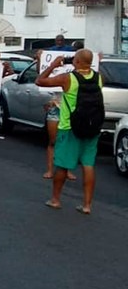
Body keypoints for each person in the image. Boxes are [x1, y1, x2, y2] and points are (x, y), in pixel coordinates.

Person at [38, 49, 101, 214]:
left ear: (78, 61)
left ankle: (56, 199)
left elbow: (40, 81)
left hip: (69, 127)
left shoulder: (69, 78)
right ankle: (87, 205)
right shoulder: (99, 77)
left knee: (62, 166)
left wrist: (52, 65)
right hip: (92, 126)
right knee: (88, 165)